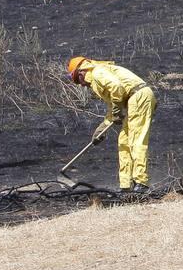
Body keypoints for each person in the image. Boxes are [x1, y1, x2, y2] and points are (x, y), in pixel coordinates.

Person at [67, 56, 156, 194]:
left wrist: (117, 110)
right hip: (133, 100)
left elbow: (117, 87)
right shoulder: (97, 78)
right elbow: (112, 107)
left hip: (139, 96)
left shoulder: (97, 72)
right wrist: (100, 131)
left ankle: (141, 183)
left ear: (81, 72)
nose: (81, 85)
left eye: (78, 81)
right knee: (124, 141)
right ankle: (126, 185)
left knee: (136, 140)